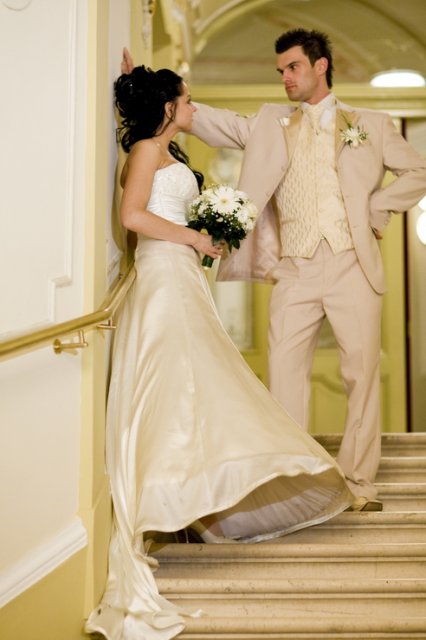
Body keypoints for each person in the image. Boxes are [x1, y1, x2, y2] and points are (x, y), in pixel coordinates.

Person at [85, 64, 353, 640]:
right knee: (176, 385)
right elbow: (133, 217)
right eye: (186, 101)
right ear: (167, 107)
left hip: (182, 274)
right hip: (162, 278)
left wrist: (206, 237)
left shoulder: (166, 152)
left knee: (198, 388)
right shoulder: (145, 153)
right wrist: (194, 236)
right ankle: (172, 503)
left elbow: (155, 208)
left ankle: (200, 502)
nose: (192, 108)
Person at [153, 28, 426, 512]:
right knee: (283, 376)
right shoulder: (267, 122)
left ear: (321, 66)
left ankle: (358, 482)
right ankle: (297, 484)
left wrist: (377, 209)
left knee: (361, 375)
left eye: (293, 67)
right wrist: (145, 83)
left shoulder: (372, 124)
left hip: (352, 264)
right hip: (294, 267)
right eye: (281, 70)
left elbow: (418, 171)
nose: (285, 77)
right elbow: (207, 120)